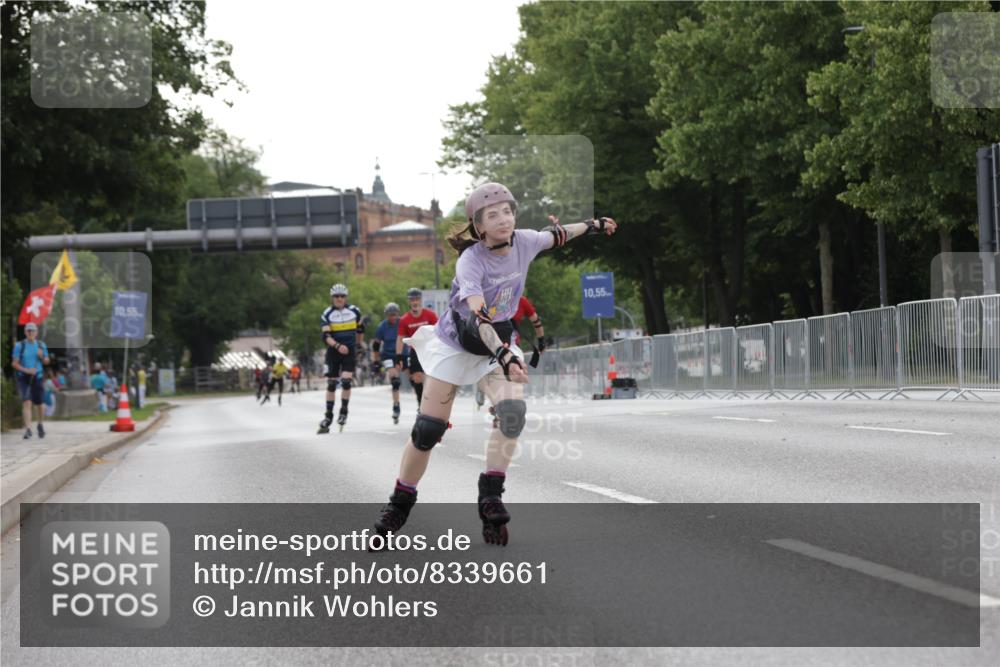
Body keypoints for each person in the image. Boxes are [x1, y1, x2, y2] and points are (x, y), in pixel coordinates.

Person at [371, 182, 617, 546]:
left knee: (513, 413)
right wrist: (505, 355)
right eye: (493, 215)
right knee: (427, 430)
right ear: (478, 225)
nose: (503, 219)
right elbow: (476, 318)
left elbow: (558, 234)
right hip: (459, 342)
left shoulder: (525, 241)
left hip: (496, 343)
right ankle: (400, 503)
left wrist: (594, 225)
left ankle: (490, 497)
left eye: (508, 211)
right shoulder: (471, 260)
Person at [476, 295, 546, 413]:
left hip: (513, 344)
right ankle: (486, 391)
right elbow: (485, 320)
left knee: (516, 374)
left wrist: (541, 342)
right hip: (494, 344)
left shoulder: (522, 301)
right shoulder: (498, 301)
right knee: (492, 374)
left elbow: (536, 321)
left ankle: (505, 405)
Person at [317, 283, 364, 433]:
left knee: (346, 382)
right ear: (332, 298)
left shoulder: (355, 311)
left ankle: (343, 412)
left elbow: (360, 329)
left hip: (349, 351)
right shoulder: (327, 313)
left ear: (346, 298)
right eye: (336, 296)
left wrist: (359, 345)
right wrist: (337, 346)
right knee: (331, 384)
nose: (339, 299)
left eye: (342, 296)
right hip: (334, 352)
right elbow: (325, 336)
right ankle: (328, 416)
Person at [395, 287, 438, 412]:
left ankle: (433, 402)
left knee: (431, 377)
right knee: (417, 378)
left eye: (417, 299)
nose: (415, 302)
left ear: (421, 300)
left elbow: (438, 331)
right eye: (412, 300)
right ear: (409, 302)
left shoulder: (430, 315)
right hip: (416, 351)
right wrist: (398, 356)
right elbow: (400, 338)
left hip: (430, 349)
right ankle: (421, 405)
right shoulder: (404, 320)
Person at [11, 322, 51, 439]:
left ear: (36, 332)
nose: (31, 333)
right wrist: (26, 370)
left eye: (33, 330)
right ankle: (28, 429)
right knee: (27, 402)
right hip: (24, 377)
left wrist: (41, 356)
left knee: (40, 404)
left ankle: (40, 424)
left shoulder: (41, 345)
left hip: (37, 377)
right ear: (25, 332)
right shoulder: (20, 345)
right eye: (28, 330)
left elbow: (47, 361)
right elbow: (14, 363)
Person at [372, 302, 403, 423]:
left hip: (401, 354)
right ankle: (396, 406)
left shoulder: (402, 323)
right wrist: (376, 361)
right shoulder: (382, 327)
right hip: (388, 355)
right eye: (390, 315)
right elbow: (376, 345)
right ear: (386, 315)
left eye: (395, 315)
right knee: (395, 380)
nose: (393, 317)